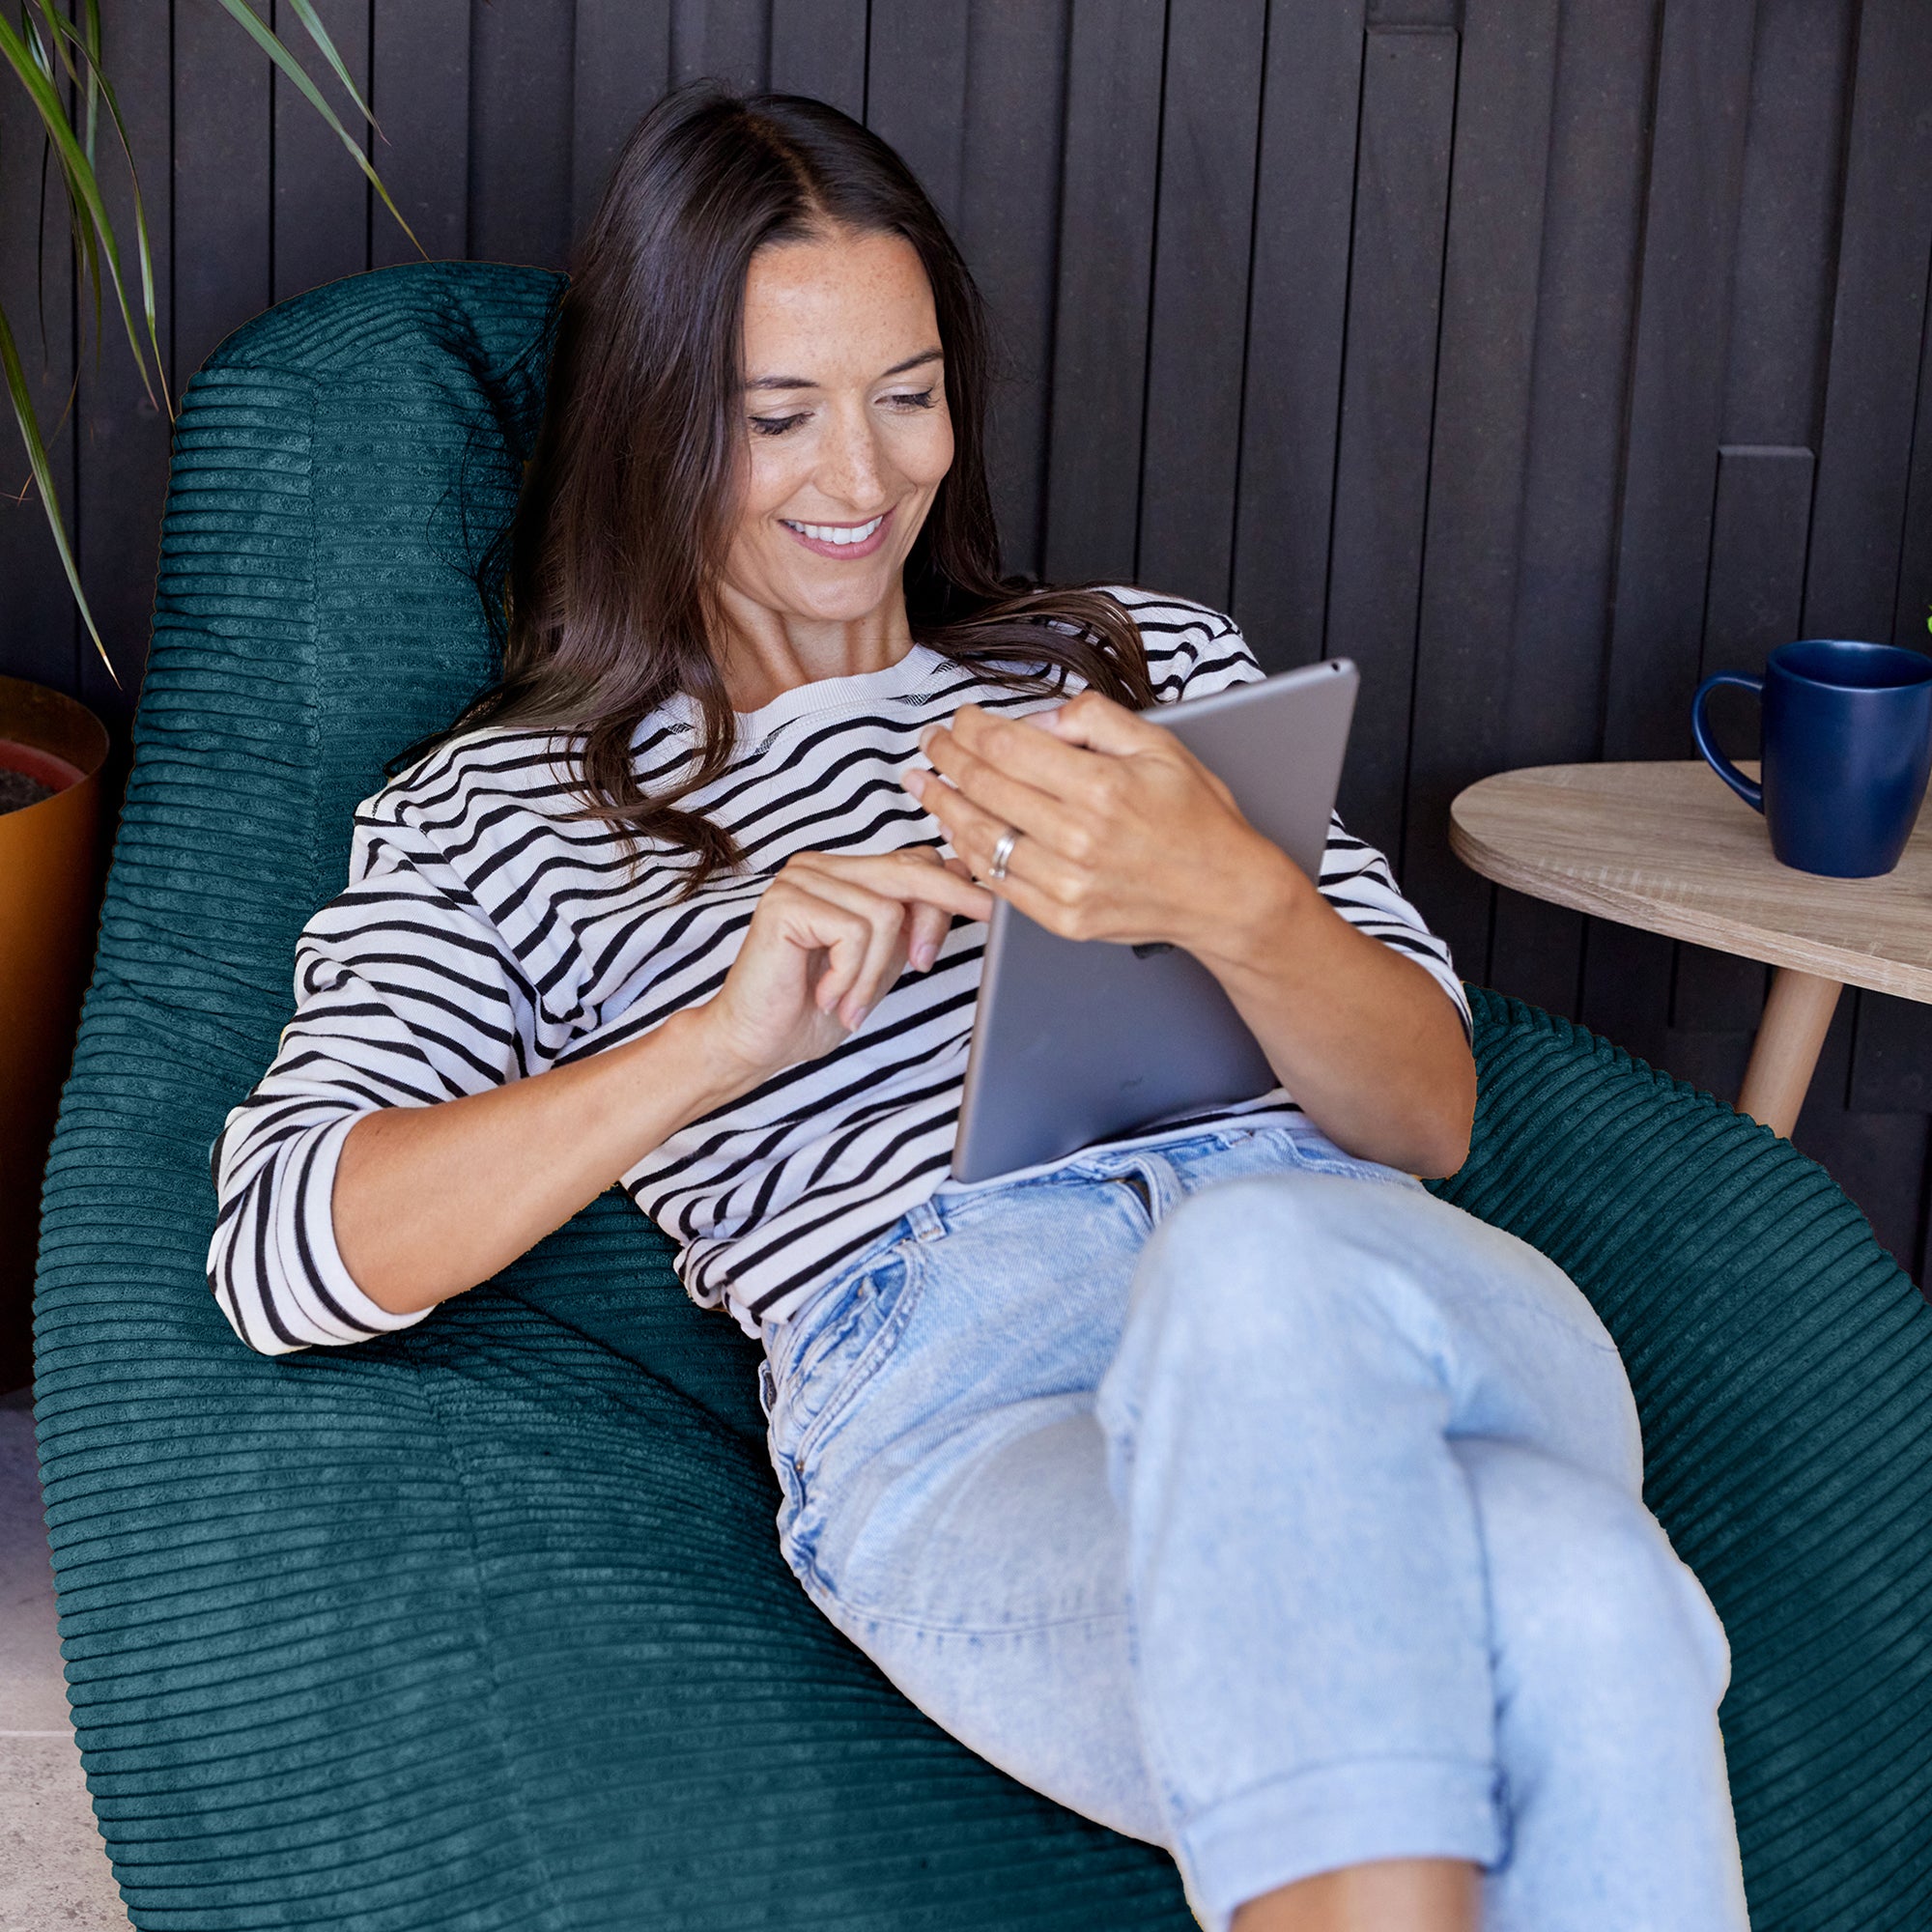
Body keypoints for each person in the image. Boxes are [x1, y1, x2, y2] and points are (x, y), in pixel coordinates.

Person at [207, 84, 1748, 1932]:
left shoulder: (1140, 664)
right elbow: (290, 1259)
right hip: (966, 1424)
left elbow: (1428, 1117)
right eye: (776, 417)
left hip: (1375, 1303)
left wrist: (1234, 899)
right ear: (642, 422)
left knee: (1258, 1263)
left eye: (908, 393)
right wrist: (717, 1040)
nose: (861, 482)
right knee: (1585, 1598)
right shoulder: (510, 810)